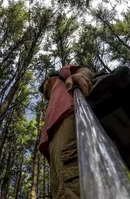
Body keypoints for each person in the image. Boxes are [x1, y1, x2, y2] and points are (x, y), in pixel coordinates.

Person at [38, 65, 94, 199]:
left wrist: (82, 76)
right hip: (53, 144)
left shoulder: (62, 76)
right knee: (61, 191)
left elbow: (84, 71)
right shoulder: (52, 99)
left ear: (47, 80)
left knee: (73, 184)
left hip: (68, 124)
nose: (44, 93)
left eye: (43, 90)